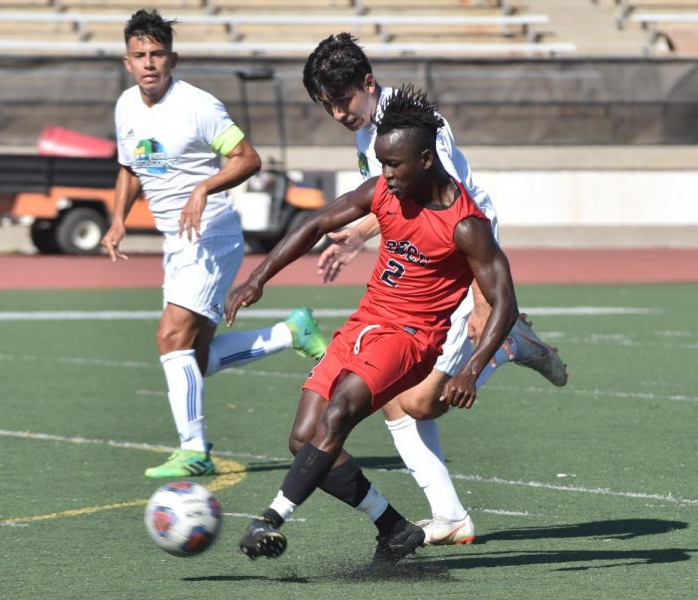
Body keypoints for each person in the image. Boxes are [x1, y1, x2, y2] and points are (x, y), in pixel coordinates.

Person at [225, 86, 519, 564]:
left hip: (410, 340)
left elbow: (505, 301)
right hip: (365, 323)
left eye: (394, 165)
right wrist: (257, 279)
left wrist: (471, 368)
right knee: (303, 440)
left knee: (339, 413)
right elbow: (318, 222)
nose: (385, 175)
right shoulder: (386, 190)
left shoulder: (466, 225)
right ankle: (394, 527)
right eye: (381, 164)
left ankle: (271, 517)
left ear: (426, 159)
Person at [301, 33, 568, 545]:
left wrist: (485, 300)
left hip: (459, 259)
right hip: (433, 265)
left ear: (368, 83)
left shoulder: (419, 129)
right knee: (399, 400)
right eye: (327, 106)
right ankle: (450, 516)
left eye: (342, 101)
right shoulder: (369, 137)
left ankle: (504, 345)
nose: (337, 113)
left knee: (421, 402)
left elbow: (452, 206)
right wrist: (356, 235)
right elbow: (395, 202)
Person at [103, 9, 328, 479]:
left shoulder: (198, 106)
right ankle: (291, 334)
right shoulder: (125, 106)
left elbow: (249, 159)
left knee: (170, 337)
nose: (149, 63)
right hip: (177, 239)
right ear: (127, 62)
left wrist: (203, 188)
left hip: (211, 234)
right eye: (140, 55)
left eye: (158, 54)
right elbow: (129, 167)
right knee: (193, 356)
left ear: (173, 58)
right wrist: (117, 221)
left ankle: (194, 449)